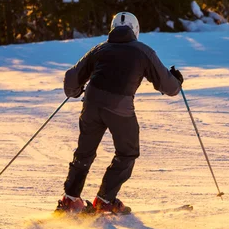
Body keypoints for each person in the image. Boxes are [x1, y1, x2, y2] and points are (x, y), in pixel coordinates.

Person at [57, 12, 184, 214]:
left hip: (91, 104)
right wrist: (176, 81)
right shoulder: (144, 51)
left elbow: (71, 78)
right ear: (136, 30)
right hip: (119, 107)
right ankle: (104, 200)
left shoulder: (100, 49)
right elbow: (169, 87)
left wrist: (75, 91)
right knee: (127, 152)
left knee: (84, 152)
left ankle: (70, 199)